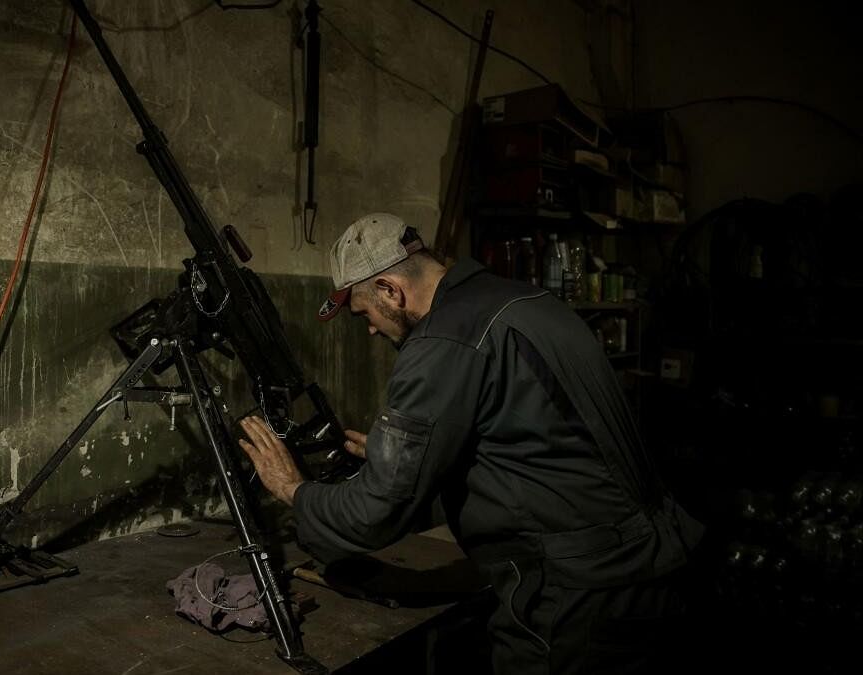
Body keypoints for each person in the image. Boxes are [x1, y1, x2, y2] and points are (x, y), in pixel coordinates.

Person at [238, 212, 703, 674]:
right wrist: (406, 455)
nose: (372, 330)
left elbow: (375, 513)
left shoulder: (443, 339)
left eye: (365, 314)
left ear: (390, 291)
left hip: (575, 596)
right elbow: (534, 436)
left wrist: (294, 490)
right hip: (651, 560)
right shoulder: (522, 299)